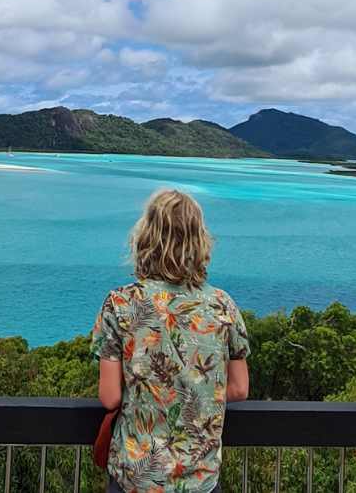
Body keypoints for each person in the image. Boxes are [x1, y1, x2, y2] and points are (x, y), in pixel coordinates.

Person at [92, 189, 250, 493]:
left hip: (135, 478)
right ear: (199, 242)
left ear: (146, 237)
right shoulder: (221, 305)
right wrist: (193, 395)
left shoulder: (121, 303)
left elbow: (110, 397)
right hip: (200, 479)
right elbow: (239, 388)